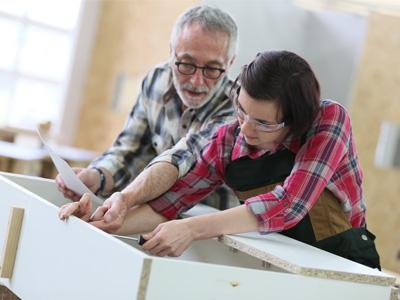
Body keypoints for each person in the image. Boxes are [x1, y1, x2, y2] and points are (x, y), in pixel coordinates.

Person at [81, 50, 379, 269]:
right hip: (277, 261)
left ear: (296, 120)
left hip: (345, 264)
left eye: (263, 123)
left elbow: (289, 205)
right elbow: (168, 204)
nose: (245, 129)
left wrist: (191, 229)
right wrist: (97, 224)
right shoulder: (227, 139)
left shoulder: (328, 120)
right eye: (242, 111)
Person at [57, 5, 238, 230]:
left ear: (230, 63)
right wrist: (96, 175)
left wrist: (126, 198)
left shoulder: (236, 108)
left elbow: (182, 158)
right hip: (148, 217)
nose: (196, 81)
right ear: (171, 52)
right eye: (186, 64)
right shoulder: (156, 82)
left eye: (212, 69)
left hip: (211, 232)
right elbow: (129, 151)